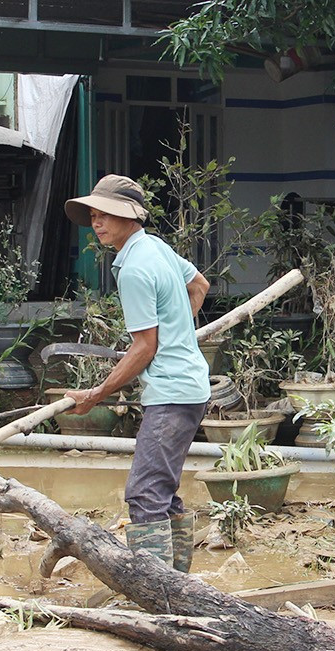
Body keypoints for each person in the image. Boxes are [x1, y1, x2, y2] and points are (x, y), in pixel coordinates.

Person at [64, 175, 211, 573]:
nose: (98, 223)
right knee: (163, 491)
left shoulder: (132, 269)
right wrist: (179, 327)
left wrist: (94, 395)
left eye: (107, 214)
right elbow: (199, 284)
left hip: (171, 392)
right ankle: (180, 586)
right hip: (190, 386)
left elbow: (144, 347)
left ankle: (156, 592)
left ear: (130, 217)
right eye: (94, 215)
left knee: (145, 494)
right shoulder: (156, 247)